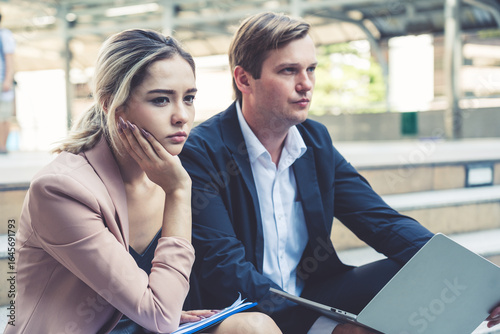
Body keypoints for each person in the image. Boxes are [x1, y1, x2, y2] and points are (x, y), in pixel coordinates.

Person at [179, 12, 500, 334]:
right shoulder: (202, 151)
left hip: (312, 292)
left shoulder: (315, 141)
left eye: (311, 69)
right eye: (289, 71)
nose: (306, 84)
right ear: (244, 79)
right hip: (237, 306)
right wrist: (322, 324)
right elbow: (224, 266)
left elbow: (381, 222)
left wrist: (482, 281)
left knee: (420, 269)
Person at [6, 29, 282, 334]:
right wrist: (177, 193)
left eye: (189, 98)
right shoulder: (61, 190)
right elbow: (160, 315)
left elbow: (178, 300)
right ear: (111, 104)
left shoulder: (174, 168)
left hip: (153, 326)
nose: (182, 116)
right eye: (161, 100)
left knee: (255, 327)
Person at [0, 12, 15, 154]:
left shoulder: (4, 35)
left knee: (4, 116)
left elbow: (9, 58)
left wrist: (7, 80)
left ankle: (2, 146)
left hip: (2, 80)